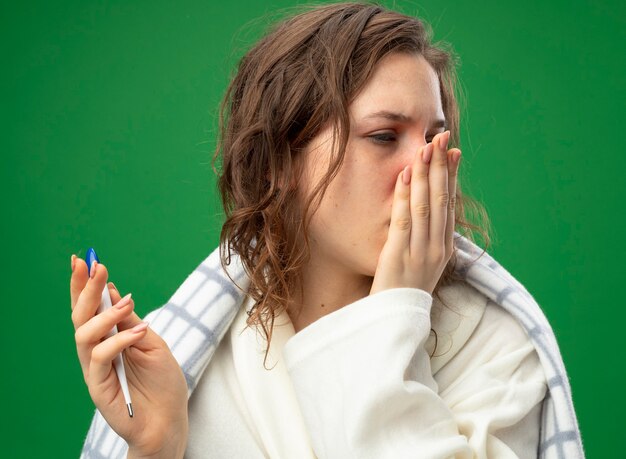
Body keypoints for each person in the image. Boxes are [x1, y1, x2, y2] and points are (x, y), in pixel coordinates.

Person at [69, 2, 584, 458]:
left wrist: (394, 309)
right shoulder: (182, 362)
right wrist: (157, 447)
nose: (424, 167)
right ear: (279, 162)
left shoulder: (499, 348)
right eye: (384, 136)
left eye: (434, 136)